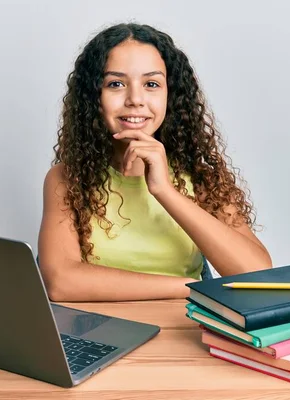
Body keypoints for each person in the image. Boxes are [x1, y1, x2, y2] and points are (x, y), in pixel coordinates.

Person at [38, 23, 272, 302]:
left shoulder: (201, 179)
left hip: (184, 329)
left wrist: (164, 190)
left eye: (151, 84)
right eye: (115, 84)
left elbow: (257, 275)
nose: (135, 100)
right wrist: (190, 288)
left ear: (169, 96)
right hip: (100, 332)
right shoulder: (66, 179)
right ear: (94, 98)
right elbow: (62, 283)